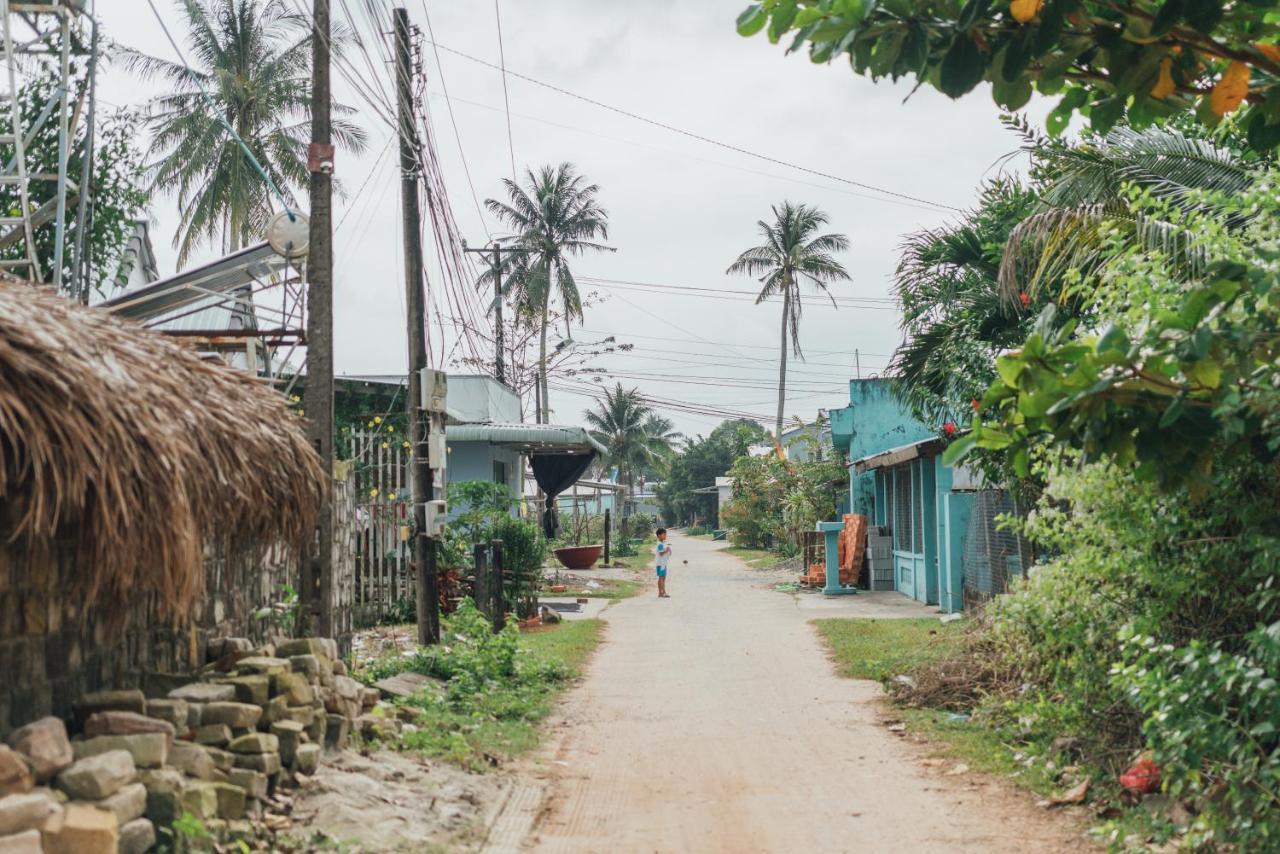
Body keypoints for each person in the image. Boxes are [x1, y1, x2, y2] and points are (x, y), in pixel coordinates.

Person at [655, 527, 672, 598]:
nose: (665, 536)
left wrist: (669, 550)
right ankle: (662, 592)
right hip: (661, 564)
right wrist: (667, 550)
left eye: (665, 534)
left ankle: (661, 592)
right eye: (664, 534)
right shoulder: (660, 544)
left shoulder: (663, 543)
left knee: (662, 578)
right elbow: (661, 553)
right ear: (659, 535)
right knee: (662, 578)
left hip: (662, 563)